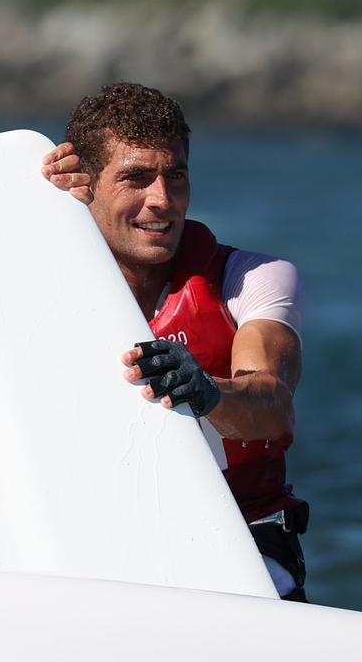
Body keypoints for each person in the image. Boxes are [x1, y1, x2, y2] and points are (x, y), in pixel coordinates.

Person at [43, 84, 311, 600]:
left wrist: (208, 393)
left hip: (246, 546)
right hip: (103, 546)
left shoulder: (252, 278)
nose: (162, 201)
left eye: (176, 176)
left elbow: (274, 404)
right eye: (136, 179)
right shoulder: (42, 279)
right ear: (86, 184)